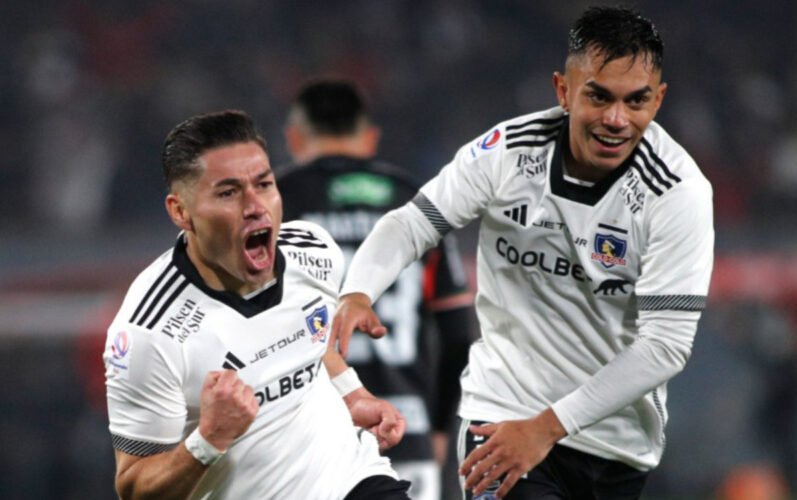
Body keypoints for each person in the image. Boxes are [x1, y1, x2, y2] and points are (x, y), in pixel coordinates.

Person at [331, 6, 714, 500]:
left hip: (614, 444)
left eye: (636, 101)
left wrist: (548, 427)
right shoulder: (508, 153)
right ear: (563, 90)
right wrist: (358, 289)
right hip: (503, 416)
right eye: (598, 96)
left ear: (658, 100)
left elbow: (665, 346)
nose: (616, 119)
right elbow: (413, 222)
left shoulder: (677, 192)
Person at [102, 109, 413, 499]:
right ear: (180, 212)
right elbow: (134, 488)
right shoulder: (150, 333)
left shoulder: (314, 252)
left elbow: (307, 335)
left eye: (263, 184)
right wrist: (209, 438)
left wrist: (353, 393)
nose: (255, 206)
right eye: (228, 192)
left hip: (352, 480)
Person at [277, 78, 477, 500]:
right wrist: (439, 429)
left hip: (305, 435)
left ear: (294, 138)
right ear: (369, 138)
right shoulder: (415, 204)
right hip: (406, 426)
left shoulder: (273, 201)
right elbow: (460, 334)